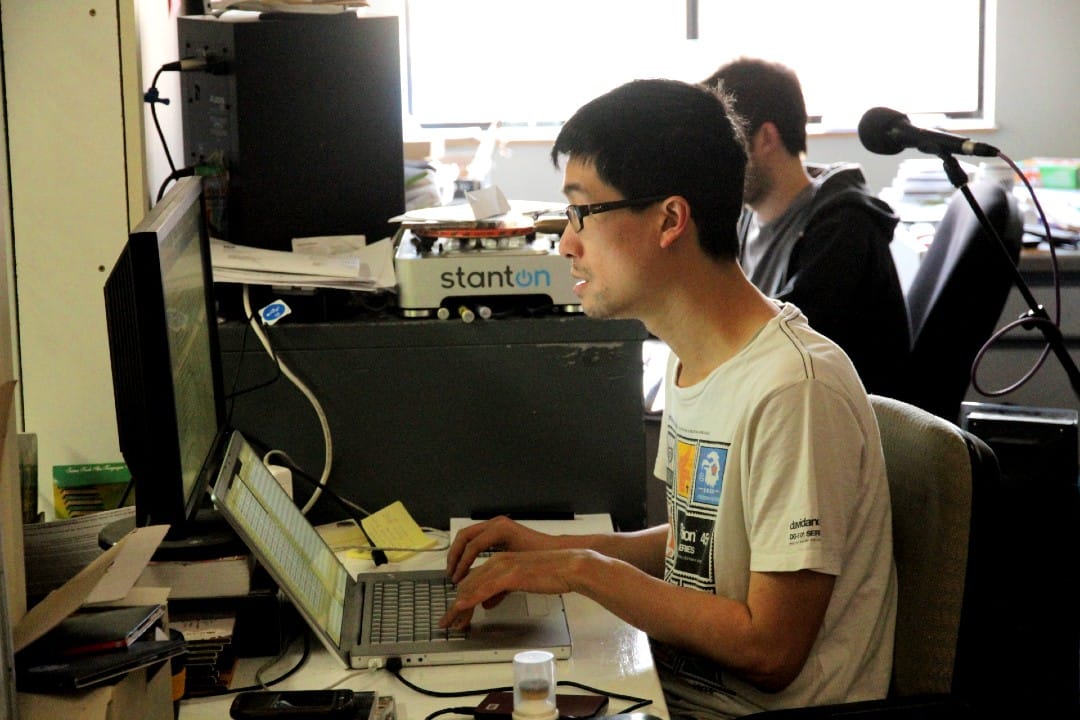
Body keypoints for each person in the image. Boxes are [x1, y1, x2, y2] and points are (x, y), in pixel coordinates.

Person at [439, 79, 897, 718]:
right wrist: (543, 549)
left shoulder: (794, 391)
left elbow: (772, 650)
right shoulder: (699, 357)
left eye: (581, 213)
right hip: (673, 692)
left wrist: (584, 572)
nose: (567, 243)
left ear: (670, 220)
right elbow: (695, 544)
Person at [702, 58, 910, 398]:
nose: (712, 167)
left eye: (723, 149)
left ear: (766, 138)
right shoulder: (745, 216)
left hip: (831, 420)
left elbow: (788, 338)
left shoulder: (843, 226)